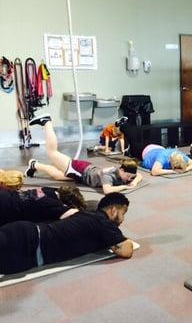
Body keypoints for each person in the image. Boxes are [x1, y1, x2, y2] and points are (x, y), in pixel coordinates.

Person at [0, 192, 135, 275]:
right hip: (25, 244)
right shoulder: (104, 224)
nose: (123, 219)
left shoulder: (88, 216)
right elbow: (126, 250)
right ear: (113, 211)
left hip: (26, 241)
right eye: (123, 212)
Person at [25, 114, 143, 194]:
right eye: (128, 176)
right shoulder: (109, 176)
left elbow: (139, 176)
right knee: (52, 153)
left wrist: (134, 181)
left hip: (85, 171)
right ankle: (46, 122)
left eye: (130, 177)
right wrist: (125, 186)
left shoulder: (126, 172)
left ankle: (34, 165)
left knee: (57, 176)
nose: (129, 179)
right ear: (121, 170)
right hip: (79, 170)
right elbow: (107, 190)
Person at [0, 186, 86, 226]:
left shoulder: (46, 190)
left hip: (5, 196)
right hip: (5, 209)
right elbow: (76, 214)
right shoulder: (53, 204)